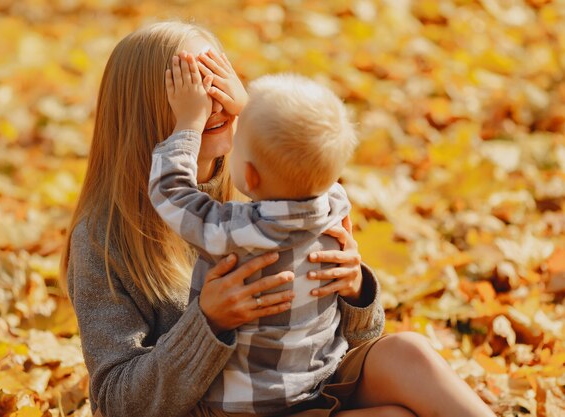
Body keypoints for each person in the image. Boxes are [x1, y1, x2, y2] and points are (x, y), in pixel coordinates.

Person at [61, 21, 497, 417]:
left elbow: (359, 340)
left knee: (409, 353)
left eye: (219, 82)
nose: (213, 104)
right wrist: (207, 322)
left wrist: (354, 290)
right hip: (222, 407)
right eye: (192, 91)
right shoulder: (103, 239)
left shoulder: (258, 182)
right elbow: (116, 403)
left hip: (306, 380)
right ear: (143, 110)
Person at [149, 65, 363, 415]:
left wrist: (188, 124)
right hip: (316, 382)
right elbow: (298, 149)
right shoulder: (334, 206)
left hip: (243, 407)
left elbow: (171, 191)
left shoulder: (237, 232)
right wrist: (256, 115)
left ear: (248, 173)